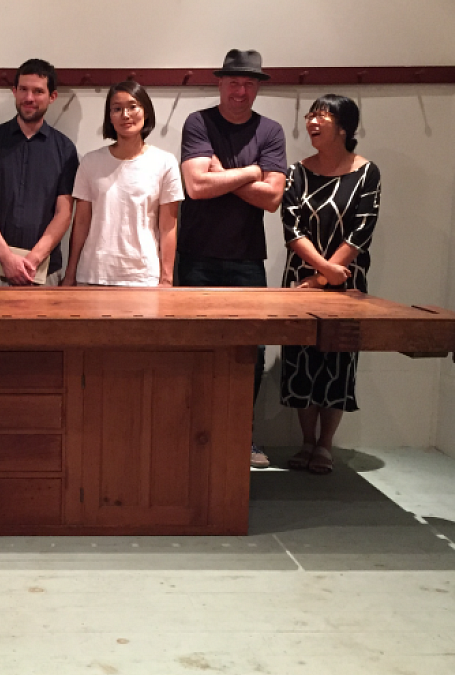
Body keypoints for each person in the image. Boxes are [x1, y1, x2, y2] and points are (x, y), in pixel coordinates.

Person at [177, 49, 286, 468]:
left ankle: (244, 433)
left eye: (249, 84)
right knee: (193, 345)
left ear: (257, 87)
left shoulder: (271, 131)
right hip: (196, 256)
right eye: (233, 83)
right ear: (220, 84)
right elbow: (196, 187)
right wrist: (252, 172)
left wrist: (224, 174)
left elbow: (274, 199)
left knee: (252, 349)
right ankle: (193, 429)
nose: (240, 91)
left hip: (246, 260)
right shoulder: (198, 122)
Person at [280, 94, 381, 474]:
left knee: (338, 360)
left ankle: (325, 445)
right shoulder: (296, 171)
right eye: (311, 115)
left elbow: (361, 232)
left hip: (346, 283)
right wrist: (321, 271)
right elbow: (291, 230)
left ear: (344, 127)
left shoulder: (367, 173)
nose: (313, 122)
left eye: (322, 115)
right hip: (299, 282)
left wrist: (327, 276)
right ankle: (306, 441)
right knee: (301, 358)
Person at [0, 59, 79, 286]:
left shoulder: (65, 149)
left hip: (43, 273)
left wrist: (32, 260)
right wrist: (7, 258)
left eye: (38, 91)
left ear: (52, 96)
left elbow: (64, 214)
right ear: (14, 91)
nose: (29, 98)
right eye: (23, 89)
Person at [62, 81, 183, 287]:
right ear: (110, 116)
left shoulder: (165, 162)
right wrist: (70, 274)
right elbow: (81, 222)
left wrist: (167, 278)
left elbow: (168, 226)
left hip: (143, 276)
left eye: (133, 106)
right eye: (117, 109)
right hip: (93, 273)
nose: (125, 115)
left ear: (146, 111)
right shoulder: (91, 162)